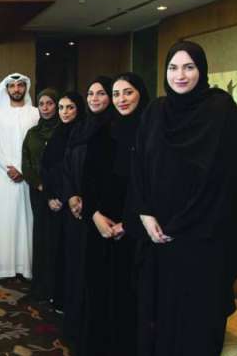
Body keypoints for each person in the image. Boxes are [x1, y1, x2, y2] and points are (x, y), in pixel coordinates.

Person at [131, 41, 237, 356]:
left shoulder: (220, 110)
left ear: (202, 70)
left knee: (195, 326)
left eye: (189, 67)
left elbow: (221, 182)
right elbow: (139, 166)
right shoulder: (155, 111)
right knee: (156, 322)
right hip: (157, 239)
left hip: (201, 240)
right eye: (173, 67)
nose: (180, 75)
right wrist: (145, 215)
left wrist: (179, 225)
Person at [76, 73, 150, 356]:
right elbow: (88, 180)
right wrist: (94, 215)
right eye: (117, 94)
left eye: (128, 92)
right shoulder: (103, 131)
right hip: (100, 227)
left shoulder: (151, 132)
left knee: (129, 297)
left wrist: (128, 224)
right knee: (98, 293)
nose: (121, 99)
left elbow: (153, 185)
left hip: (136, 231)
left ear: (140, 94)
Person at [61, 76, 117, 341]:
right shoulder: (80, 128)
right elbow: (67, 164)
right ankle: (75, 328)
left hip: (100, 215)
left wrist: (89, 202)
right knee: (75, 268)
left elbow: (109, 174)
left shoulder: (114, 127)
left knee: (94, 275)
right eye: (91, 93)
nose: (95, 98)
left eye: (101, 93)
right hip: (76, 212)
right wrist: (72, 196)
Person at [0, 73, 39, 279]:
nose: (16, 89)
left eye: (20, 85)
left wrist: (24, 170)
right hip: (4, 176)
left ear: (26, 88)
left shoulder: (35, 113)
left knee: (28, 220)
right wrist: (8, 167)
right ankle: (3, 267)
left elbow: (37, 146)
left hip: (29, 177)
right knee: (5, 220)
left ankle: (26, 267)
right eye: (12, 86)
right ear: (6, 89)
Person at [40, 92, 85, 312]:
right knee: (55, 250)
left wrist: (69, 197)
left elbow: (79, 171)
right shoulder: (58, 133)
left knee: (72, 253)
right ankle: (56, 296)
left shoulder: (83, 133)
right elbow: (46, 167)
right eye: (61, 108)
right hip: (55, 203)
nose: (64, 112)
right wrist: (50, 196)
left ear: (79, 109)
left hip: (74, 204)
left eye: (70, 107)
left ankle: (70, 300)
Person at [23, 88, 60, 300]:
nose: (45, 108)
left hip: (59, 195)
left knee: (56, 239)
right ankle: (40, 286)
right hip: (38, 192)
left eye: (50, 103)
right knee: (40, 237)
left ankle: (56, 286)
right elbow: (26, 163)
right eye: (42, 104)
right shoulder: (33, 133)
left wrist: (54, 191)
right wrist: (38, 185)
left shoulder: (64, 130)